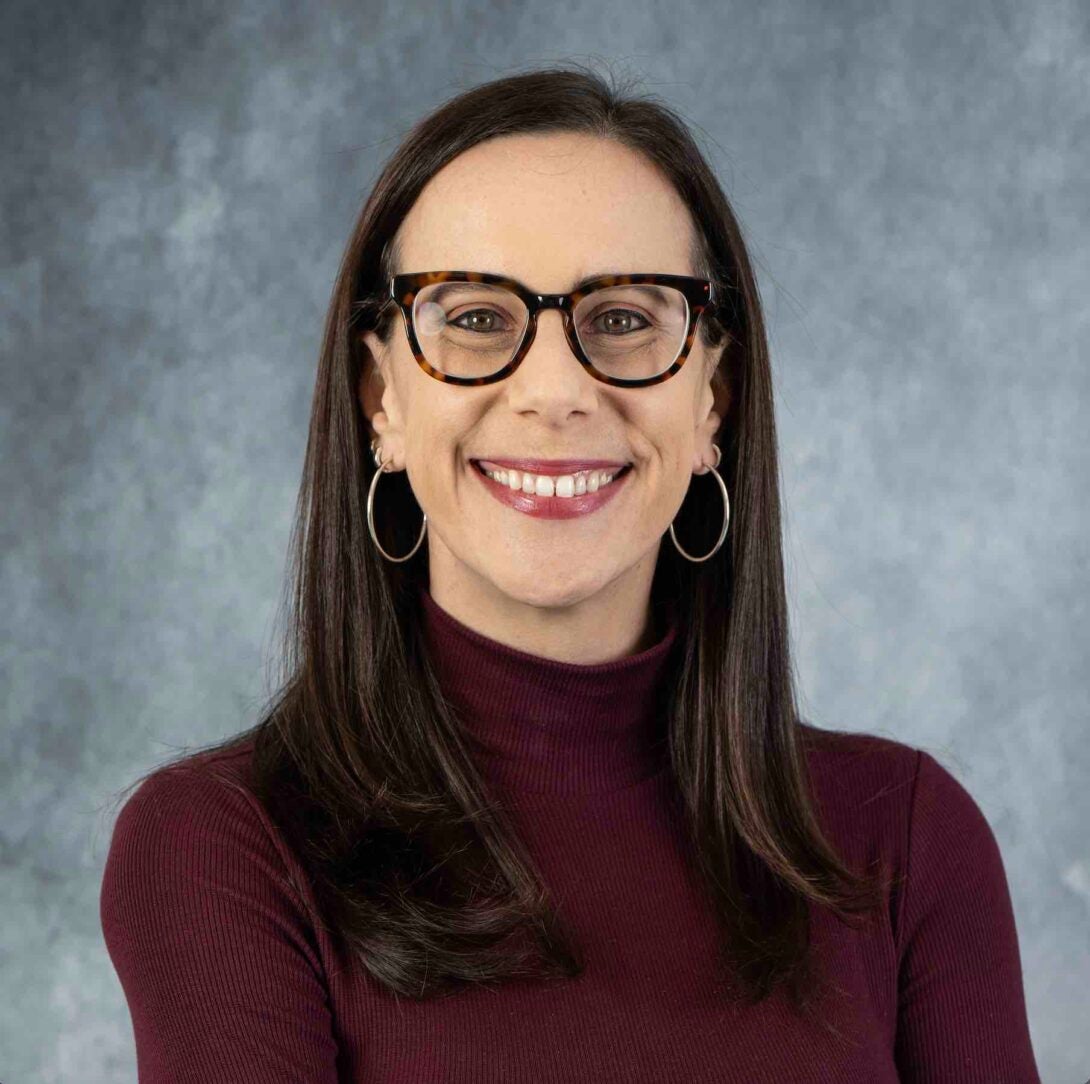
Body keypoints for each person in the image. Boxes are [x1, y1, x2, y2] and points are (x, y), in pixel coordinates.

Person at [99, 65, 1041, 1082]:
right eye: (473, 318)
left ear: (711, 401)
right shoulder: (223, 847)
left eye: (626, 318)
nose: (554, 391)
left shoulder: (902, 836)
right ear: (382, 399)